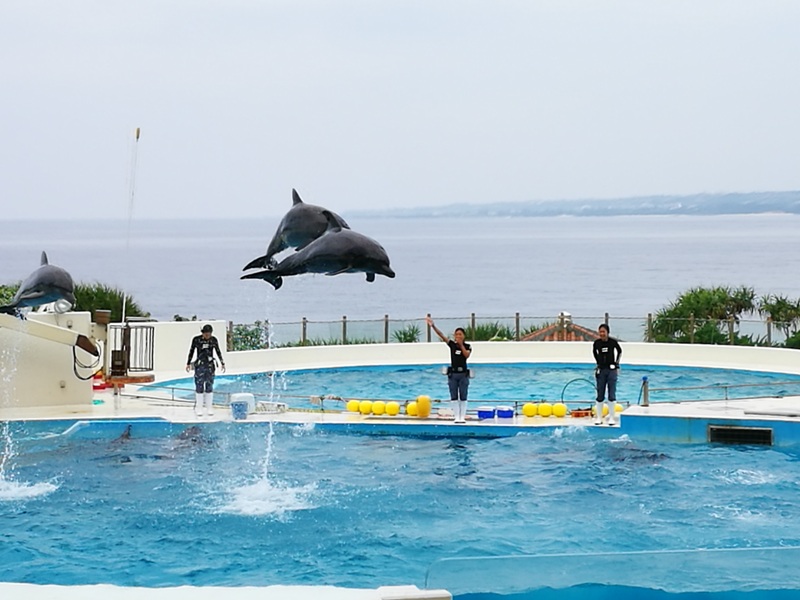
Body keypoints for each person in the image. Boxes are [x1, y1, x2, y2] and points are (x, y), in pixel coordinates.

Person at [426, 316, 472, 423]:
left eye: (460, 334)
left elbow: (466, 355)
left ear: (464, 336)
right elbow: (441, 335)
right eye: (456, 334)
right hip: (453, 374)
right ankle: (457, 417)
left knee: (463, 396)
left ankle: (462, 416)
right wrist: (433, 326)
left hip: (463, 374)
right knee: (454, 396)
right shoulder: (452, 345)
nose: (458, 336)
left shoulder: (467, 346)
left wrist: (461, 345)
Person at [186, 324, 226, 416]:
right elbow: (191, 351)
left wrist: (222, 362)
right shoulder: (196, 340)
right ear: (203, 333)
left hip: (210, 365)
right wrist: (188, 363)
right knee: (199, 385)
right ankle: (199, 408)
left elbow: (218, 351)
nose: (207, 336)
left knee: (209, 385)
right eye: (206, 334)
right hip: (200, 365)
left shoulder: (213, 340)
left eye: (209, 334)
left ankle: (209, 407)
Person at [593, 323, 622, 425]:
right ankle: (599, 417)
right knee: (600, 393)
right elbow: (594, 352)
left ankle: (611, 418)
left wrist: (616, 364)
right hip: (601, 370)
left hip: (611, 370)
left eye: (603, 332)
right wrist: (598, 363)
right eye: (600, 332)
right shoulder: (597, 343)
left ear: (607, 332)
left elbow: (619, 351)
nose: (602, 334)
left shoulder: (612, 342)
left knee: (611, 393)